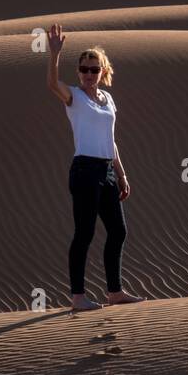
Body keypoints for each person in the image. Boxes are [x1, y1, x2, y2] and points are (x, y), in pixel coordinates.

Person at [45, 23, 144, 310]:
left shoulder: (107, 99)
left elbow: (111, 140)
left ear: (103, 71)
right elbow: (52, 85)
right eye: (83, 69)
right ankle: (78, 297)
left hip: (107, 171)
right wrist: (53, 55)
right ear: (78, 72)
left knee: (118, 231)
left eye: (93, 69)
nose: (88, 74)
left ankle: (114, 292)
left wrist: (122, 174)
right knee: (85, 233)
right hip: (84, 172)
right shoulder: (73, 97)